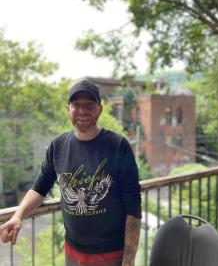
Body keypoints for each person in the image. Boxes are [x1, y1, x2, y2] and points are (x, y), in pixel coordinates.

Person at [0, 79, 142, 266]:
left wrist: (129, 260)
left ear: (100, 109)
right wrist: (18, 215)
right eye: (76, 105)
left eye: (89, 105)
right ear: (68, 109)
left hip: (111, 254)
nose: (82, 111)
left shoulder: (118, 146)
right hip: (73, 252)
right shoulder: (57, 146)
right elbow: (39, 188)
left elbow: (133, 207)